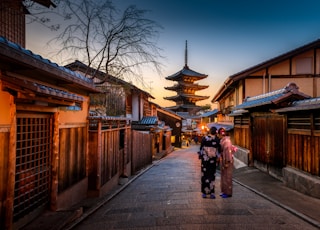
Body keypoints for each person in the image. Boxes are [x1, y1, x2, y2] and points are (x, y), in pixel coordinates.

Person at [199, 126, 220, 199]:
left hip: (205, 160)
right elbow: (218, 151)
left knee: (204, 175)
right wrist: (217, 157)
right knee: (212, 176)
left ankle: (204, 193)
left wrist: (203, 155)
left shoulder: (204, 138)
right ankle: (212, 193)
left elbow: (201, 149)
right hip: (212, 160)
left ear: (210, 132)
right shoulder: (217, 140)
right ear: (216, 132)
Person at [218, 127, 236, 198]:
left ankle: (228, 192)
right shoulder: (224, 140)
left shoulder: (226, 141)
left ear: (221, 134)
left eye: (219, 134)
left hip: (227, 160)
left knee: (227, 177)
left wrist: (227, 161)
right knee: (224, 176)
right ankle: (224, 191)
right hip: (224, 159)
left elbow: (228, 151)